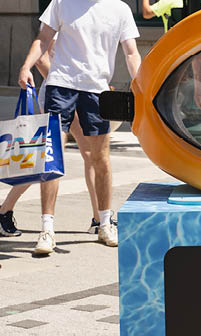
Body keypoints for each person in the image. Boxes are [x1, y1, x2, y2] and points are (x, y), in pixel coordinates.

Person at [17, 0, 141, 254]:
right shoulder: (62, 2)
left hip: (97, 91)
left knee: (101, 160)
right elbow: (43, 38)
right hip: (60, 86)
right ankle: (47, 229)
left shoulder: (120, 9)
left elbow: (131, 52)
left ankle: (105, 223)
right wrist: (26, 66)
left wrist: (141, 84)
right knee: (52, 157)